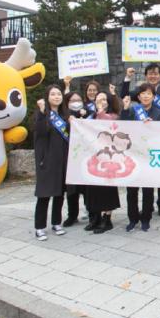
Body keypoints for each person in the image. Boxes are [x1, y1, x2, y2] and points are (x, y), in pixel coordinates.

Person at [120, 62, 160, 218]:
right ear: (146, 75)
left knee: (159, 176)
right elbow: (124, 95)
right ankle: (146, 208)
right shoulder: (140, 90)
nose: (153, 76)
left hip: (159, 135)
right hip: (140, 142)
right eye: (150, 73)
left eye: (156, 73)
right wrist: (127, 77)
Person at [120, 83, 160, 232]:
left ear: (153, 96)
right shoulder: (133, 110)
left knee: (148, 190)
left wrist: (152, 127)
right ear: (139, 96)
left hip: (150, 156)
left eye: (149, 93)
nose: (146, 96)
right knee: (131, 190)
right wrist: (126, 109)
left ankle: (146, 218)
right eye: (143, 93)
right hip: (133, 155)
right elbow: (123, 128)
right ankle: (132, 219)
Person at [33, 85, 69, 241]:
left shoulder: (64, 115)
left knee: (59, 194)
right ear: (47, 97)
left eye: (59, 94)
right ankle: (40, 227)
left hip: (62, 161)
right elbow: (40, 131)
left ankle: (56, 222)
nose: (56, 97)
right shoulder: (42, 114)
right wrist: (41, 112)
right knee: (44, 195)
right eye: (53, 94)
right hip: (47, 161)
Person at [84, 91, 122, 234]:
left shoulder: (113, 116)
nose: (100, 102)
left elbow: (105, 125)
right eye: (98, 99)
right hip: (93, 158)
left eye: (103, 100)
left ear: (108, 102)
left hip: (109, 159)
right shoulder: (90, 116)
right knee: (92, 189)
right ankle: (95, 218)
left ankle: (107, 219)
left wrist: (100, 112)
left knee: (107, 190)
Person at [62, 92, 89, 227]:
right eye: (72, 100)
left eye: (78, 100)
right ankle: (72, 215)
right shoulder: (63, 117)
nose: (76, 102)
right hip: (70, 157)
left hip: (85, 156)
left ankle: (90, 212)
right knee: (72, 190)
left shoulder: (87, 113)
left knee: (86, 188)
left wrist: (84, 116)